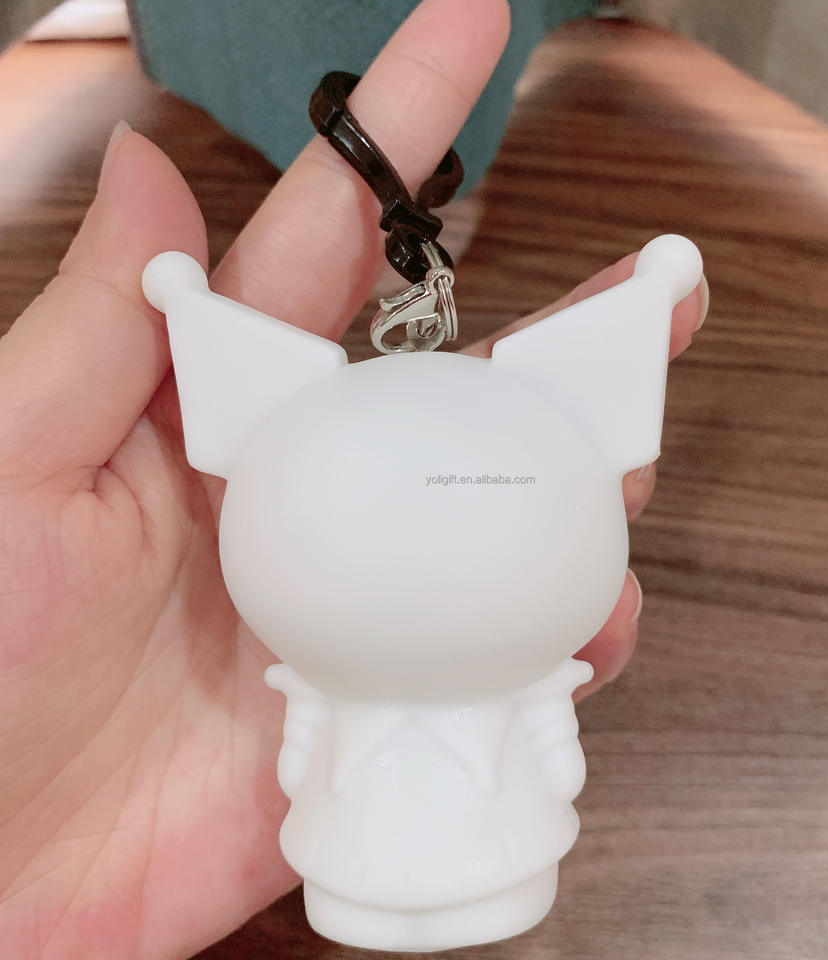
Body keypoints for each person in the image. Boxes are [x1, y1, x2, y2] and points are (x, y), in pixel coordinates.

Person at [0, 0, 707, 956]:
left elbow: (542, 753)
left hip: (499, 837)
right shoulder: (348, 635)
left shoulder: (497, 652)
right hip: (353, 843)